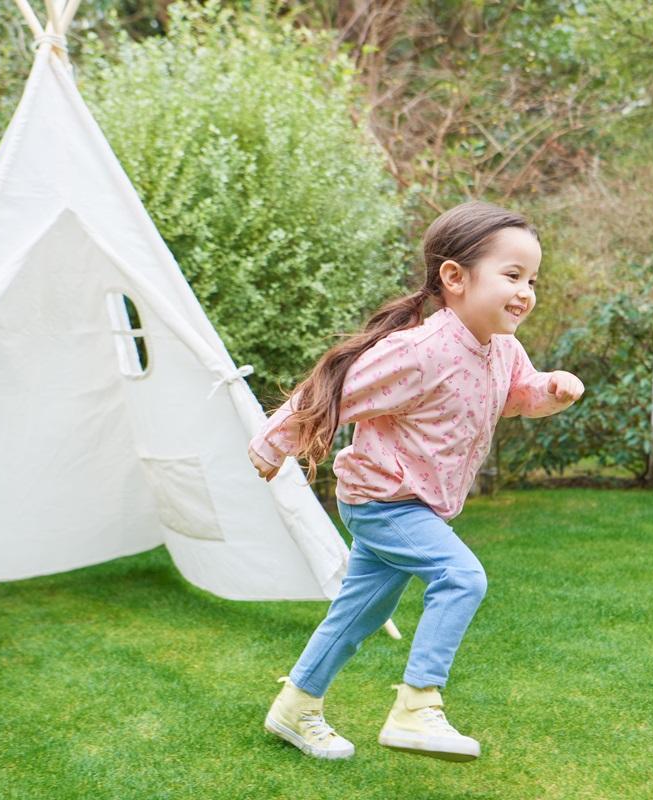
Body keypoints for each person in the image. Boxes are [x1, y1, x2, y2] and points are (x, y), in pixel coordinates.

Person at [247, 201, 584, 762]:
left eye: (532, 279)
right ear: (454, 277)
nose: (526, 292)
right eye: (512, 275)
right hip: (384, 500)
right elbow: (335, 390)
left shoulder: (503, 349)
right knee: (461, 577)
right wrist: (271, 441)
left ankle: (295, 707)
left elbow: (516, 396)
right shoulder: (421, 351)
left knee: (363, 613)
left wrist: (550, 390)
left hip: (419, 505)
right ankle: (416, 706)